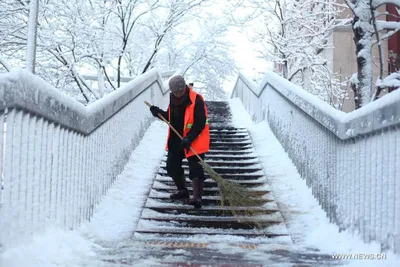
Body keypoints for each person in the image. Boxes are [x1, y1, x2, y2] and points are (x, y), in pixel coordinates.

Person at [149, 75, 210, 208]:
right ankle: (182, 190)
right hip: (176, 139)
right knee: (171, 165)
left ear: (184, 88)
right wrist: (159, 113)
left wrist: (189, 138)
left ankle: (197, 197)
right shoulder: (173, 99)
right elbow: (171, 118)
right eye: (174, 92)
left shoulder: (196, 100)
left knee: (196, 167)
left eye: (179, 91)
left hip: (194, 139)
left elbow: (200, 123)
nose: (177, 94)